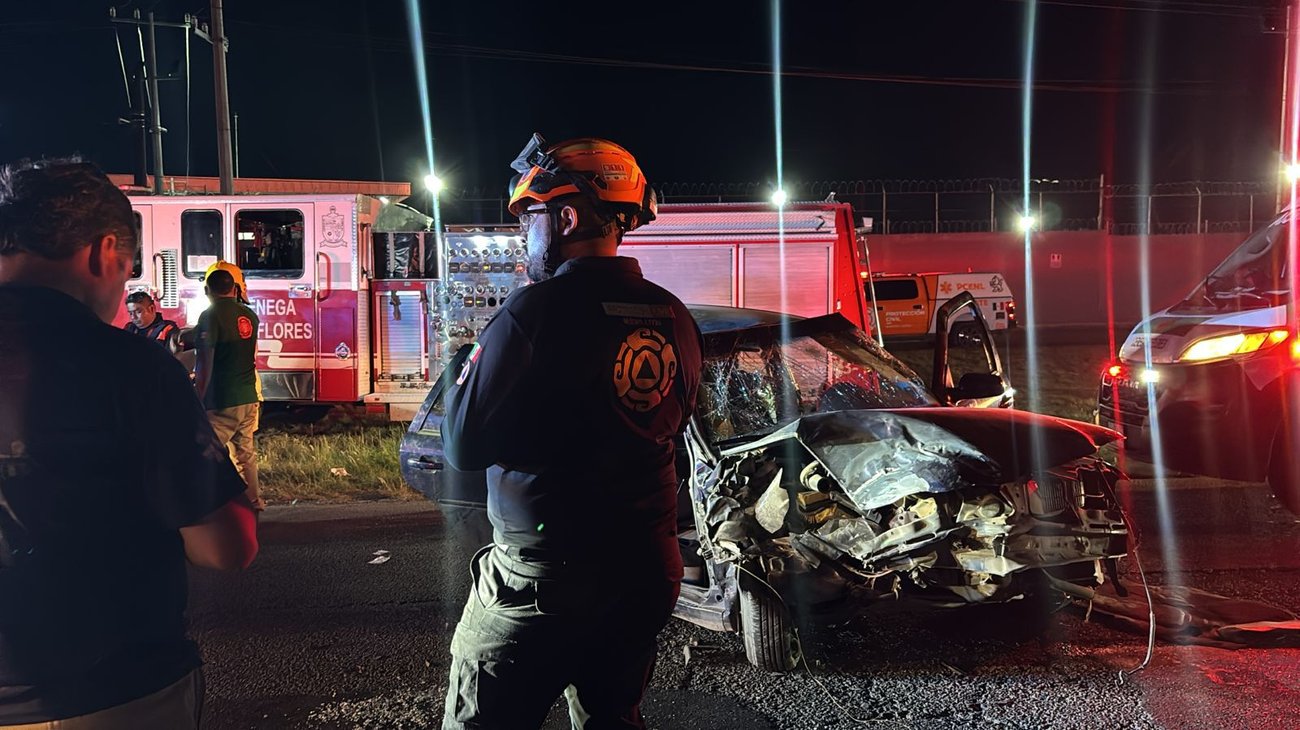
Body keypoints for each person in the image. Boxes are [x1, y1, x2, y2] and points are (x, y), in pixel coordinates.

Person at [440, 134, 703, 729]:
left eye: (530, 219)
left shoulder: (531, 313)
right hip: (644, 573)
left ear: (565, 216)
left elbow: (461, 446)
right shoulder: (674, 315)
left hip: (543, 582)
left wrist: (461, 370)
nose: (525, 238)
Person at [0, 158, 258, 728]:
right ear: (102, 252)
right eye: (125, 271)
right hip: (115, 691)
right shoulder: (129, 366)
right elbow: (227, 545)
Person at [194, 263, 264, 511]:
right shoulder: (250, 316)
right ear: (234, 289)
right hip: (248, 396)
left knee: (203, 453)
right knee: (245, 454)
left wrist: (198, 398)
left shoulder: (210, 316)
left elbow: (205, 364)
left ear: (207, 291)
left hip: (223, 398)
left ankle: (207, 506)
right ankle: (253, 501)